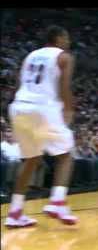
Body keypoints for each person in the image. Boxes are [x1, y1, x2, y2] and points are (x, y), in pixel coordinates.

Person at [6, 25, 77, 228]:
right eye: (66, 37)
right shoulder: (64, 56)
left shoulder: (30, 56)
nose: (68, 42)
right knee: (65, 156)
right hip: (42, 107)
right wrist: (68, 110)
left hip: (19, 106)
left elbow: (20, 83)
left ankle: (15, 212)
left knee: (30, 160)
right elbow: (64, 87)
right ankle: (57, 201)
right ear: (59, 38)